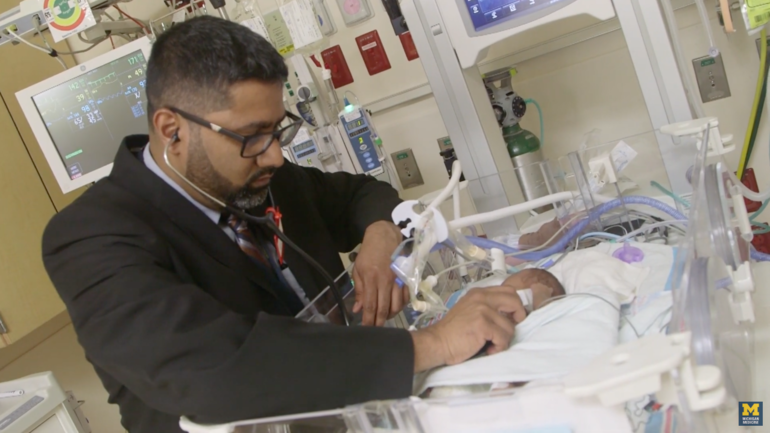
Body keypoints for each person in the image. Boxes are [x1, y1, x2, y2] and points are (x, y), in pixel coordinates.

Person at [41, 16, 527, 433]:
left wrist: (381, 235)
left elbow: (360, 195)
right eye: (253, 135)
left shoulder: (262, 177)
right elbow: (213, 370)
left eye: (277, 129)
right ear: (173, 131)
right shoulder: (89, 238)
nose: (275, 154)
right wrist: (432, 344)